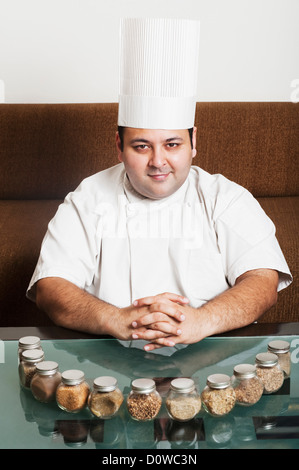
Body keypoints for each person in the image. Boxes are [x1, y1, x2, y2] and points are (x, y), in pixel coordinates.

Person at [27, 18, 292, 351]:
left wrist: (201, 321)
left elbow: (262, 282)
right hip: (109, 363)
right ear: (119, 146)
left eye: (172, 144)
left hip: (211, 360)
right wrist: (120, 320)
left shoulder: (225, 198)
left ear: (193, 142)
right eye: (141, 146)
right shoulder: (88, 198)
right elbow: (51, 287)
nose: (157, 161)